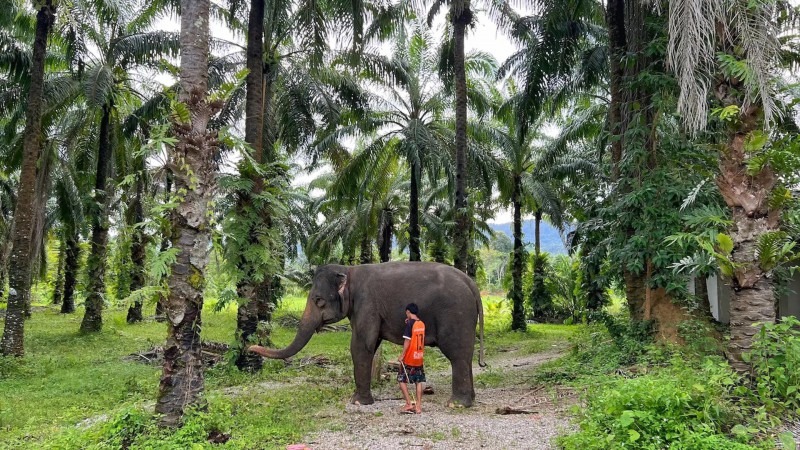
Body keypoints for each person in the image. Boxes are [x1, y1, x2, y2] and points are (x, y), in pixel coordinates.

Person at [398, 303, 425, 414]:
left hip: (410, 357)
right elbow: (415, 330)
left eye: (407, 313)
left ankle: (409, 403)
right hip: (419, 357)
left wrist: (402, 355)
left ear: (408, 312)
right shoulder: (421, 324)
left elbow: (407, 341)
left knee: (401, 379)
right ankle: (418, 406)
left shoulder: (410, 325)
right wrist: (409, 322)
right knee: (418, 381)